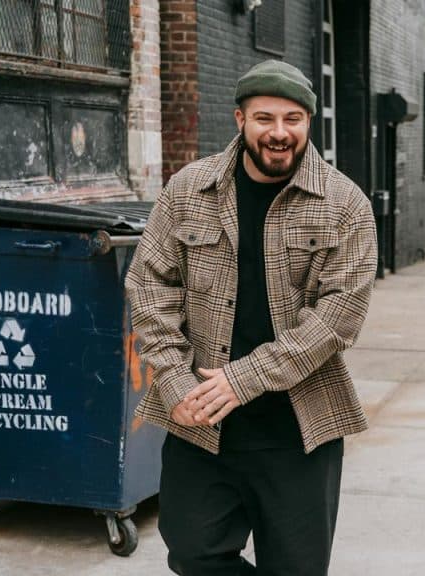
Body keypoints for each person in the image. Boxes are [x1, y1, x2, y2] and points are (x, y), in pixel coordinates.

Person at [126, 59, 377, 575]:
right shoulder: (189, 189)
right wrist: (174, 384)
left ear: (309, 122)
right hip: (201, 423)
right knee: (194, 554)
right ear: (240, 120)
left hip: (299, 429)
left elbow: (338, 318)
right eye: (265, 118)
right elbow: (149, 287)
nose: (279, 133)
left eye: (293, 119)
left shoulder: (344, 204)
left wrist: (244, 379)